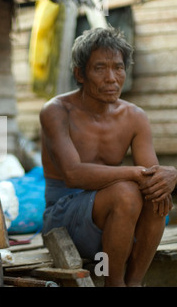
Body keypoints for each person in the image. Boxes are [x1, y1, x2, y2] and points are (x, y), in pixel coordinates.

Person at [39, 26, 177, 287]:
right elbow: (73, 174)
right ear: (80, 74)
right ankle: (114, 283)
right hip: (63, 219)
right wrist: (134, 173)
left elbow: (152, 175)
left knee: (158, 194)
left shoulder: (135, 116)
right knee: (126, 192)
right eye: (100, 68)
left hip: (116, 219)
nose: (112, 78)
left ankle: (134, 282)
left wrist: (171, 176)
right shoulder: (57, 111)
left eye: (118, 67)